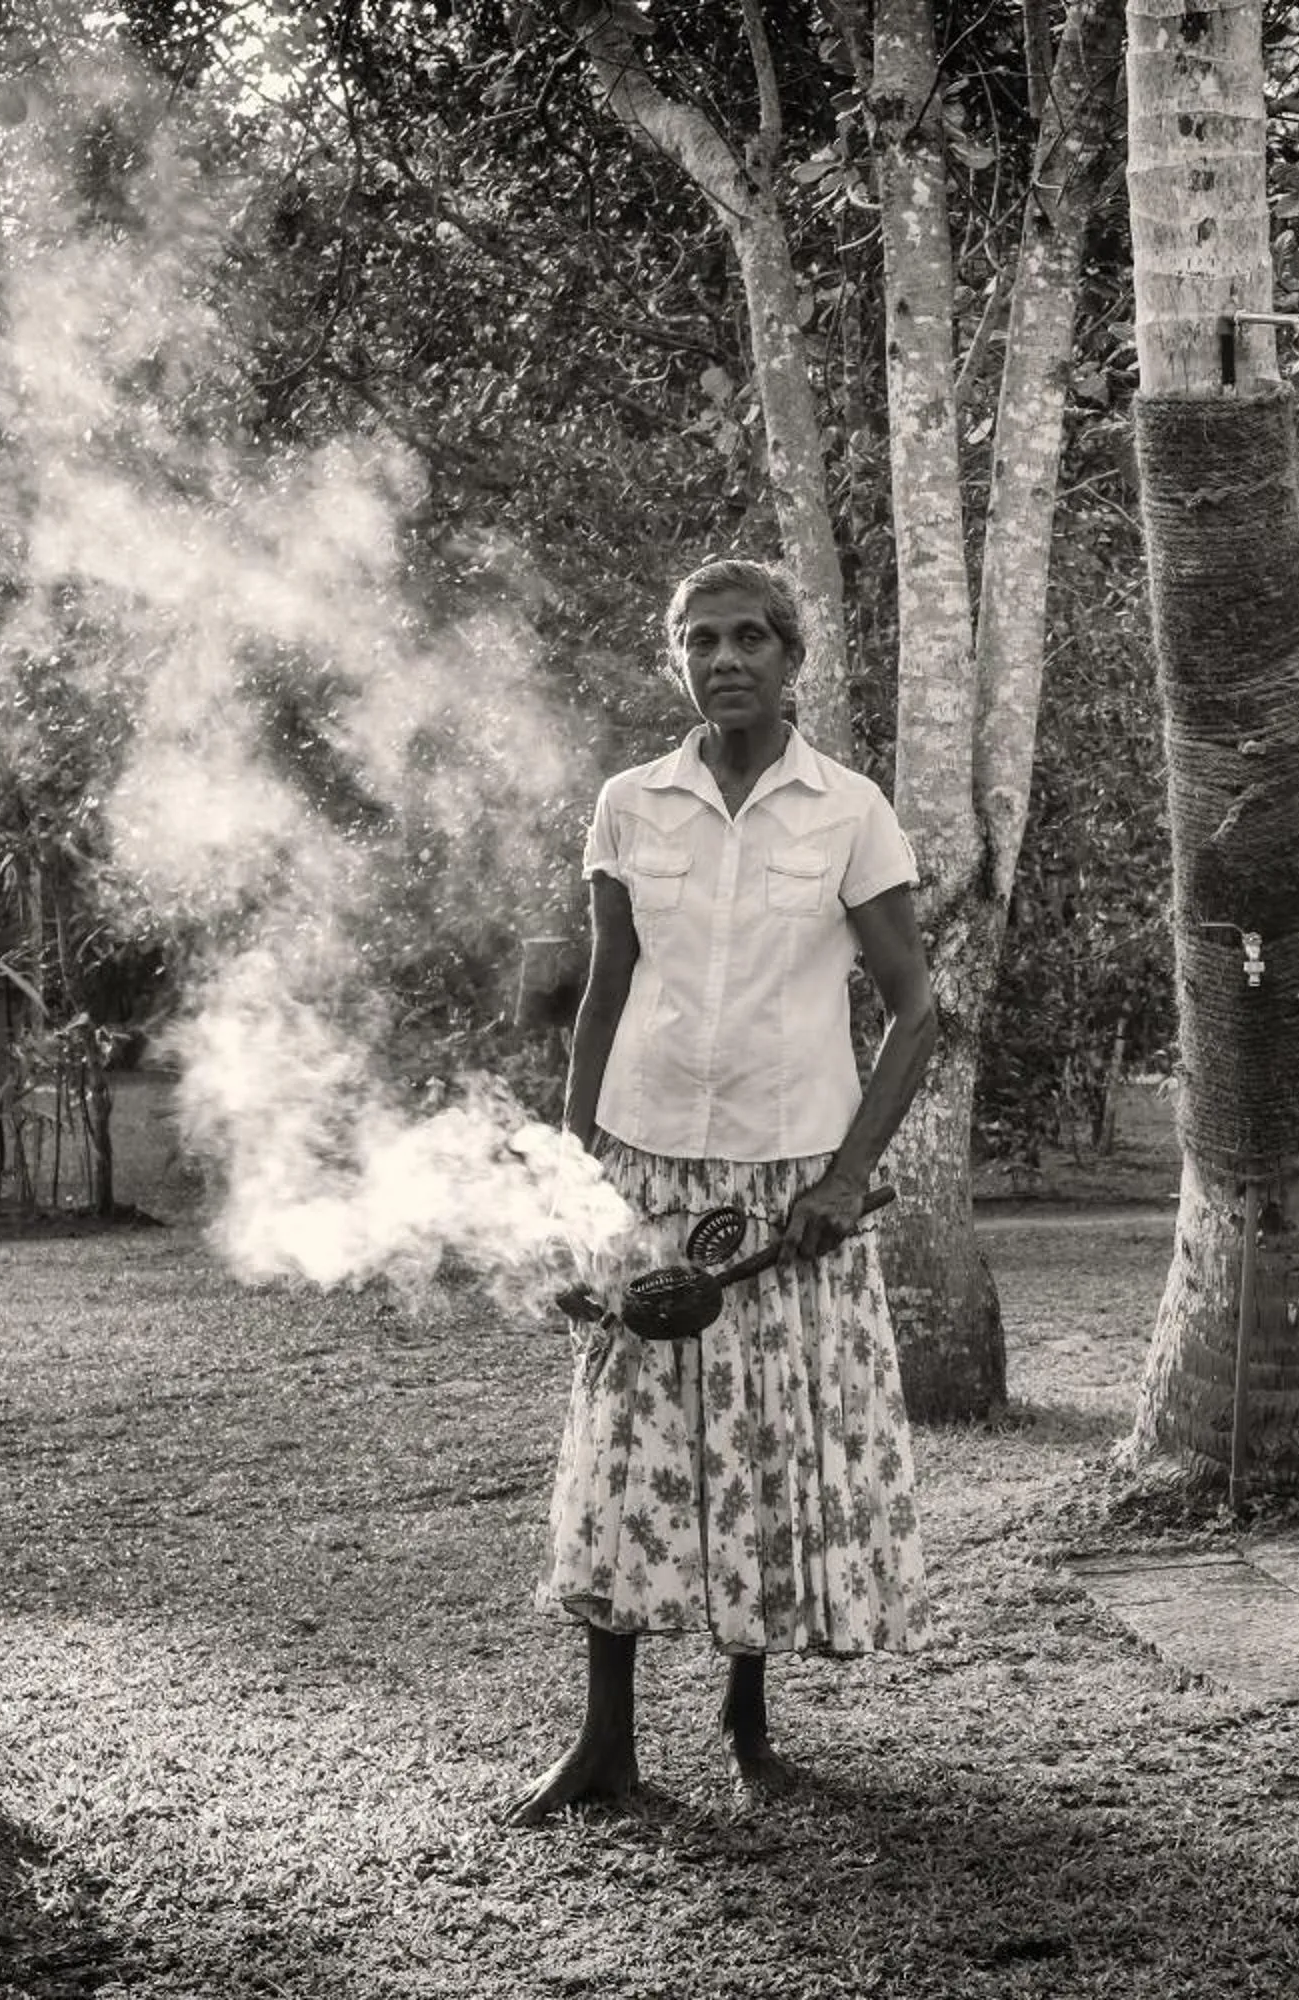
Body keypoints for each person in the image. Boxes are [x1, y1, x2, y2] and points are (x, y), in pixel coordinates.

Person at [510, 557, 937, 1822]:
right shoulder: (630, 805)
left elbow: (917, 1013)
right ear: (677, 660)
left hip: (788, 1177)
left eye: (750, 635)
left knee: (756, 1441)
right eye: (701, 639)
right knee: (628, 1445)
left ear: (791, 656)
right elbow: (604, 994)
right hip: (643, 1165)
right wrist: (568, 1172)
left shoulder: (850, 811)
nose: (726, 657)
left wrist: (848, 1176)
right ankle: (604, 1745)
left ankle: (749, 1722)